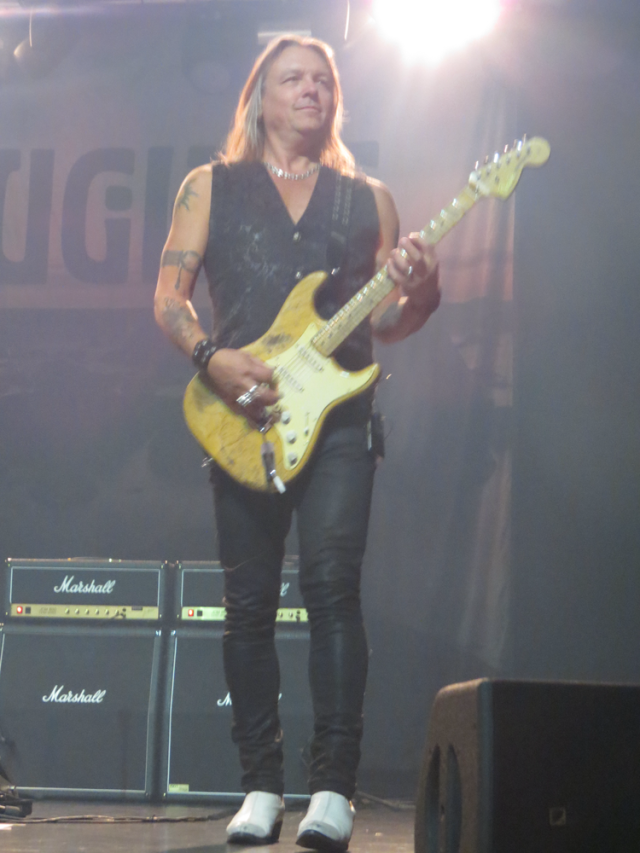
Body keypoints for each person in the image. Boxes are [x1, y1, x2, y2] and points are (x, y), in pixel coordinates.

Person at [154, 34, 440, 852]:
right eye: (293, 78)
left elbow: (390, 321)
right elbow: (169, 297)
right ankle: (259, 784)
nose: (311, 89)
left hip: (341, 418)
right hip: (244, 414)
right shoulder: (210, 186)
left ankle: (332, 788)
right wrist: (212, 358)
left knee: (332, 589)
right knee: (247, 604)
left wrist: (423, 290)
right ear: (260, 96)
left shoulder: (367, 199)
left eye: (323, 79)